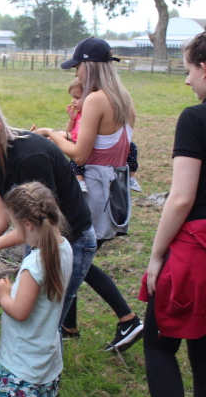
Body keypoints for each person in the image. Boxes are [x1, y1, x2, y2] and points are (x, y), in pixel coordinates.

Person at [0, 87, 96, 344]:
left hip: (69, 241)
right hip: (36, 238)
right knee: (28, 317)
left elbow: (45, 226)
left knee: (43, 324)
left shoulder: (31, 156)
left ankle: (42, 378)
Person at [33, 37, 143, 350]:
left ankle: (128, 320)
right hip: (114, 187)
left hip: (92, 188)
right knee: (78, 254)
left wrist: (52, 136)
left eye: (78, 67)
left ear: (88, 66)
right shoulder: (123, 99)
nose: (76, 74)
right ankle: (69, 326)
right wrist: (59, 132)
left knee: (77, 256)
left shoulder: (95, 99)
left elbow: (80, 155)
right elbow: (103, 144)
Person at [139, 31, 206, 396]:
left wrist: (156, 254)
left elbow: (181, 198)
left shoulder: (195, 118)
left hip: (196, 253)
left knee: (158, 345)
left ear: (205, 68)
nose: (186, 80)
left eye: (188, 71)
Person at [0, 182, 73, 397]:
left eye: (15, 226)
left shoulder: (35, 264)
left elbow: (19, 312)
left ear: (27, 225)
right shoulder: (64, 247)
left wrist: (3, 295)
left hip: (21, 368)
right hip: (47, 363)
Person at [39, 78, 143, 193]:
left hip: (96, 165)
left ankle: (131, 177)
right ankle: (79, 180)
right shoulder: (79, 115)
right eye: (72, 97)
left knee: (131, 147)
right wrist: (71, 121)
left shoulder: (90, 115)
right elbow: (72, 134)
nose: (73, 101)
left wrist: (54, 134)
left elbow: (75, 138)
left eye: (77, 98)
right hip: (93, 162)